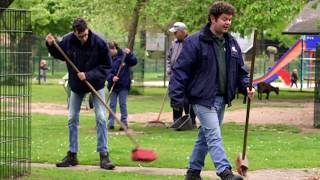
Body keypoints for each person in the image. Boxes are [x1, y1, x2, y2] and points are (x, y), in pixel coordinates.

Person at [169, 2, 255, 180]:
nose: (228, 23)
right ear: (212, 18)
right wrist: (176, 97)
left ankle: (193, 172)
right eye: (224, 19)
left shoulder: (231, 42)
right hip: (202, 97)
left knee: (205, 135)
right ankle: (225, 172)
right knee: (214, 135)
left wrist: (246, 86)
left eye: (230, 19)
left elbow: (240, 71)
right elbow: (181, 70)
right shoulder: (195, 41)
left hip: (221, 98)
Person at [45, 17, 115, 170]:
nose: (83, 38)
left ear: (87, 30)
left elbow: (106, 67)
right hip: (76, 86)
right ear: (75, 33)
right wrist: (50, 45)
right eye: (79, 36)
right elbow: (59, 53)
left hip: (95, 84)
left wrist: (88, 75)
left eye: (84, 35)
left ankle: (104, 156)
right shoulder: (69, 40)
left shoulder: (99, 43)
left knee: (102, 118)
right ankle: (72, 155)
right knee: (72, 118)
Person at [167, 22, 196, 127]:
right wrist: (169, 70)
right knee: (175, 97)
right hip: (175, 76)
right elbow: (169, 58)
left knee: (188, 100)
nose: (174, 34)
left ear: (182, 32)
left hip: (187, 76)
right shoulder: (174, 43)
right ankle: (176, 121)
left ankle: (191, 121)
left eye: (176, 32)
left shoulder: (191, 43)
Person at [107, 41, 137, 131]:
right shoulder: (108, 58)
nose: (109, 53)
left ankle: (124, 123)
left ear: (114, 49)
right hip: (113, 85)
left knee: (122, 104)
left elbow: (134, 62)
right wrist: (112, 78)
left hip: (123, 85)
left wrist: (130, 54)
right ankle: (110, 123)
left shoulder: (124, 55)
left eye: (110, 51)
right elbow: (106, 71)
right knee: (112, 104)